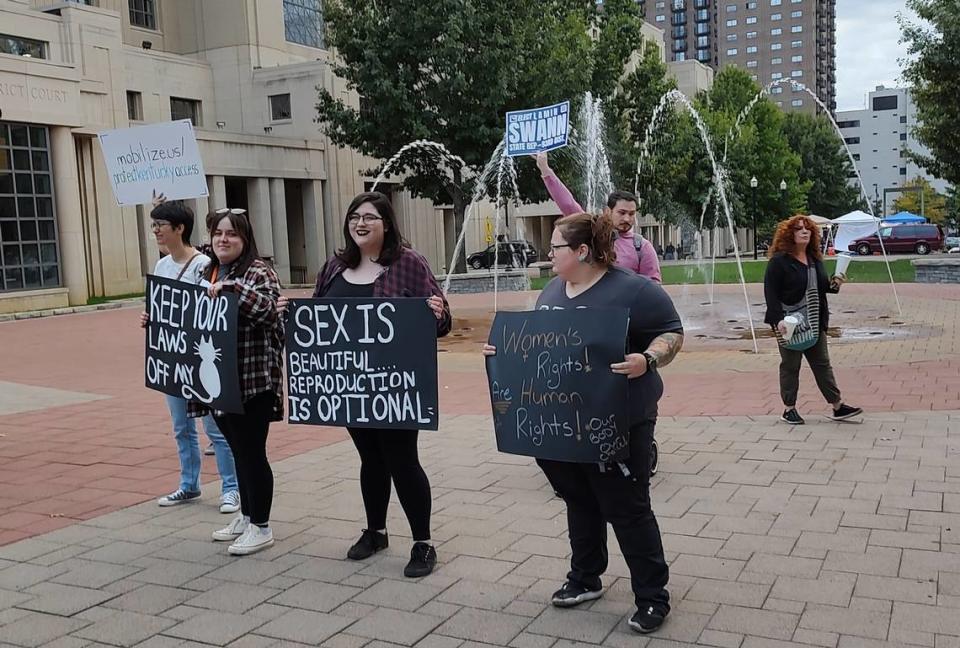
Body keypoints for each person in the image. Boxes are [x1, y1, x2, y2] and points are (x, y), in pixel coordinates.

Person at [482, 212, 684, 634]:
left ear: (582, 251)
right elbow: (539, 346)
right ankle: (585, 577)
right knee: (579, 500)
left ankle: (652, 596)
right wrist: (502, 352)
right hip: (561, 420)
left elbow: (672, 333)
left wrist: (646, 359)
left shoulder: (635, 291)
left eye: (555, 247)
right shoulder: (553, 289)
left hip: (622, 418)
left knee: (627, 508)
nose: (548, 254)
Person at [278, 191, 451, 577]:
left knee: (403, 461)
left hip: (394, 387)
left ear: (386, 224)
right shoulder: (335, 267)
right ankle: (375, 531)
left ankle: (423, 543)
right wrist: (287, 316)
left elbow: (440, 322)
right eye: (355, 216)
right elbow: (316, 321)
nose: (361, 223)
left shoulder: (408, 263)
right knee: (370, 459)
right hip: (352, 386)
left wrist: (436, 313)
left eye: (370, 217)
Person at [139, 202, 240, 514]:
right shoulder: (162, 266)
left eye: (161, 224)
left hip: (200, 359)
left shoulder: (204, 265)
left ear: (179, 228)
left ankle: (231, 488)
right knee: (181, 426)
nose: (155, 230)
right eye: (154, 224)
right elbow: (163, 306)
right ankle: (189, 484)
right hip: (172, 357)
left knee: (214, 428)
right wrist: (151, 318)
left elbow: (209, 310)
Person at [197, 208, 284, 556]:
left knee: (252, 453)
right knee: (237, 452)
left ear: (245, 239)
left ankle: (261, 526)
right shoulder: (209, 269)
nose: (223, 239)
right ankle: (247, 516)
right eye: (218, 233)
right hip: (219, 381)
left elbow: (268, 310)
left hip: (253, 381)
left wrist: (231, 290)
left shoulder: (258, 271)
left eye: (232, 233)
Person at [763, 214, 863, 425]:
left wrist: (835, 283)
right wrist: (778, 320)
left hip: (815, 320)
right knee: (791, 366)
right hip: (789, 323)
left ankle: (837, 406)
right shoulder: (779, 261)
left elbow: (822, 287)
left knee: (822, 364)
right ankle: (789, 409)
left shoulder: (814, 259)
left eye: (808, 228)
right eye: (799, 229)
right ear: (790, 234)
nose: (805, 231)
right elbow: (770, 293)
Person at [535, 153, 661, 283]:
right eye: (622, 213)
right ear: (608, 211)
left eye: (631, 213)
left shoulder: (641, 247)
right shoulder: (593, 233)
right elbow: (568, 204)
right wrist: (545, 170)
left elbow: (653, 286)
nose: (627, 219)